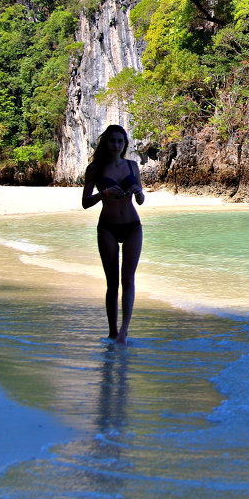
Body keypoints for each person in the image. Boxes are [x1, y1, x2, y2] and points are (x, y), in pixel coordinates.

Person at [81, 124, 145, 344]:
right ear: (105, 142)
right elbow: (85, 203)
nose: (116, 145)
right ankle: (111, 331)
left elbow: (141, 200)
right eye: (112, 141)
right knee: (112, 283)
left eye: (120, 141)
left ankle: (124, 332)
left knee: (128, 279)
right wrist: (104, 193)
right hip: (107, 226)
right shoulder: (95, 169)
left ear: (125, 144)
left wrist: (138, 192)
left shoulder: (132, 166)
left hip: (132, 226)